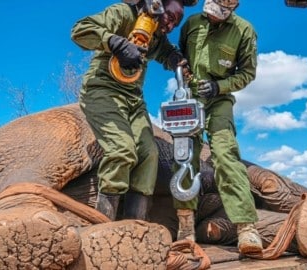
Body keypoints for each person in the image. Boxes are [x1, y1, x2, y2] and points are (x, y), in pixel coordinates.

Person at [70, 0, 187, 221]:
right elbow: (80, 30)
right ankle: (102, 225)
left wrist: (176, 59)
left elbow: (165, 52)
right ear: (157, 5)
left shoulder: (157, 36)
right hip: (103, 90)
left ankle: (135, 224)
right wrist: (115, 42)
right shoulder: (123, 14)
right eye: (170, 18)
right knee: (122, 150)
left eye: (176, 23)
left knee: (149, 155)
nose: (171, 26)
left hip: (133, 98)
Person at [175, 0, 263, 255]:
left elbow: (247, 73)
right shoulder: (191, 24)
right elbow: (181, 56)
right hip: (189, 98)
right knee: (184, 156)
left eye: (219, 15)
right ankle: (185, 225)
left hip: (219, 100)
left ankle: (246, 228)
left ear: (232, 9)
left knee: (226, 155)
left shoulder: (244, 31)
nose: (212, 18)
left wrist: (219, 86)